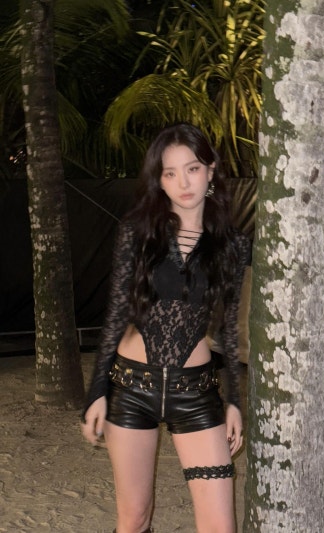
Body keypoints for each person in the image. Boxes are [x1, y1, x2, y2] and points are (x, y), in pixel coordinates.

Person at [81, 123, 251, 533]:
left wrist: (233, 401)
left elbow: (229, 329)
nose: (183, 183)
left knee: (220, 526)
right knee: (134, 518)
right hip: (131, 388)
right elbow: (116, 314)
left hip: (195, 393)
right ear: (159, 181)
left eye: (192, 169)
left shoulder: (233, 244)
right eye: (170, 173)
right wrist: (96, 392)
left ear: (210, 170)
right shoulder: (137, 233)